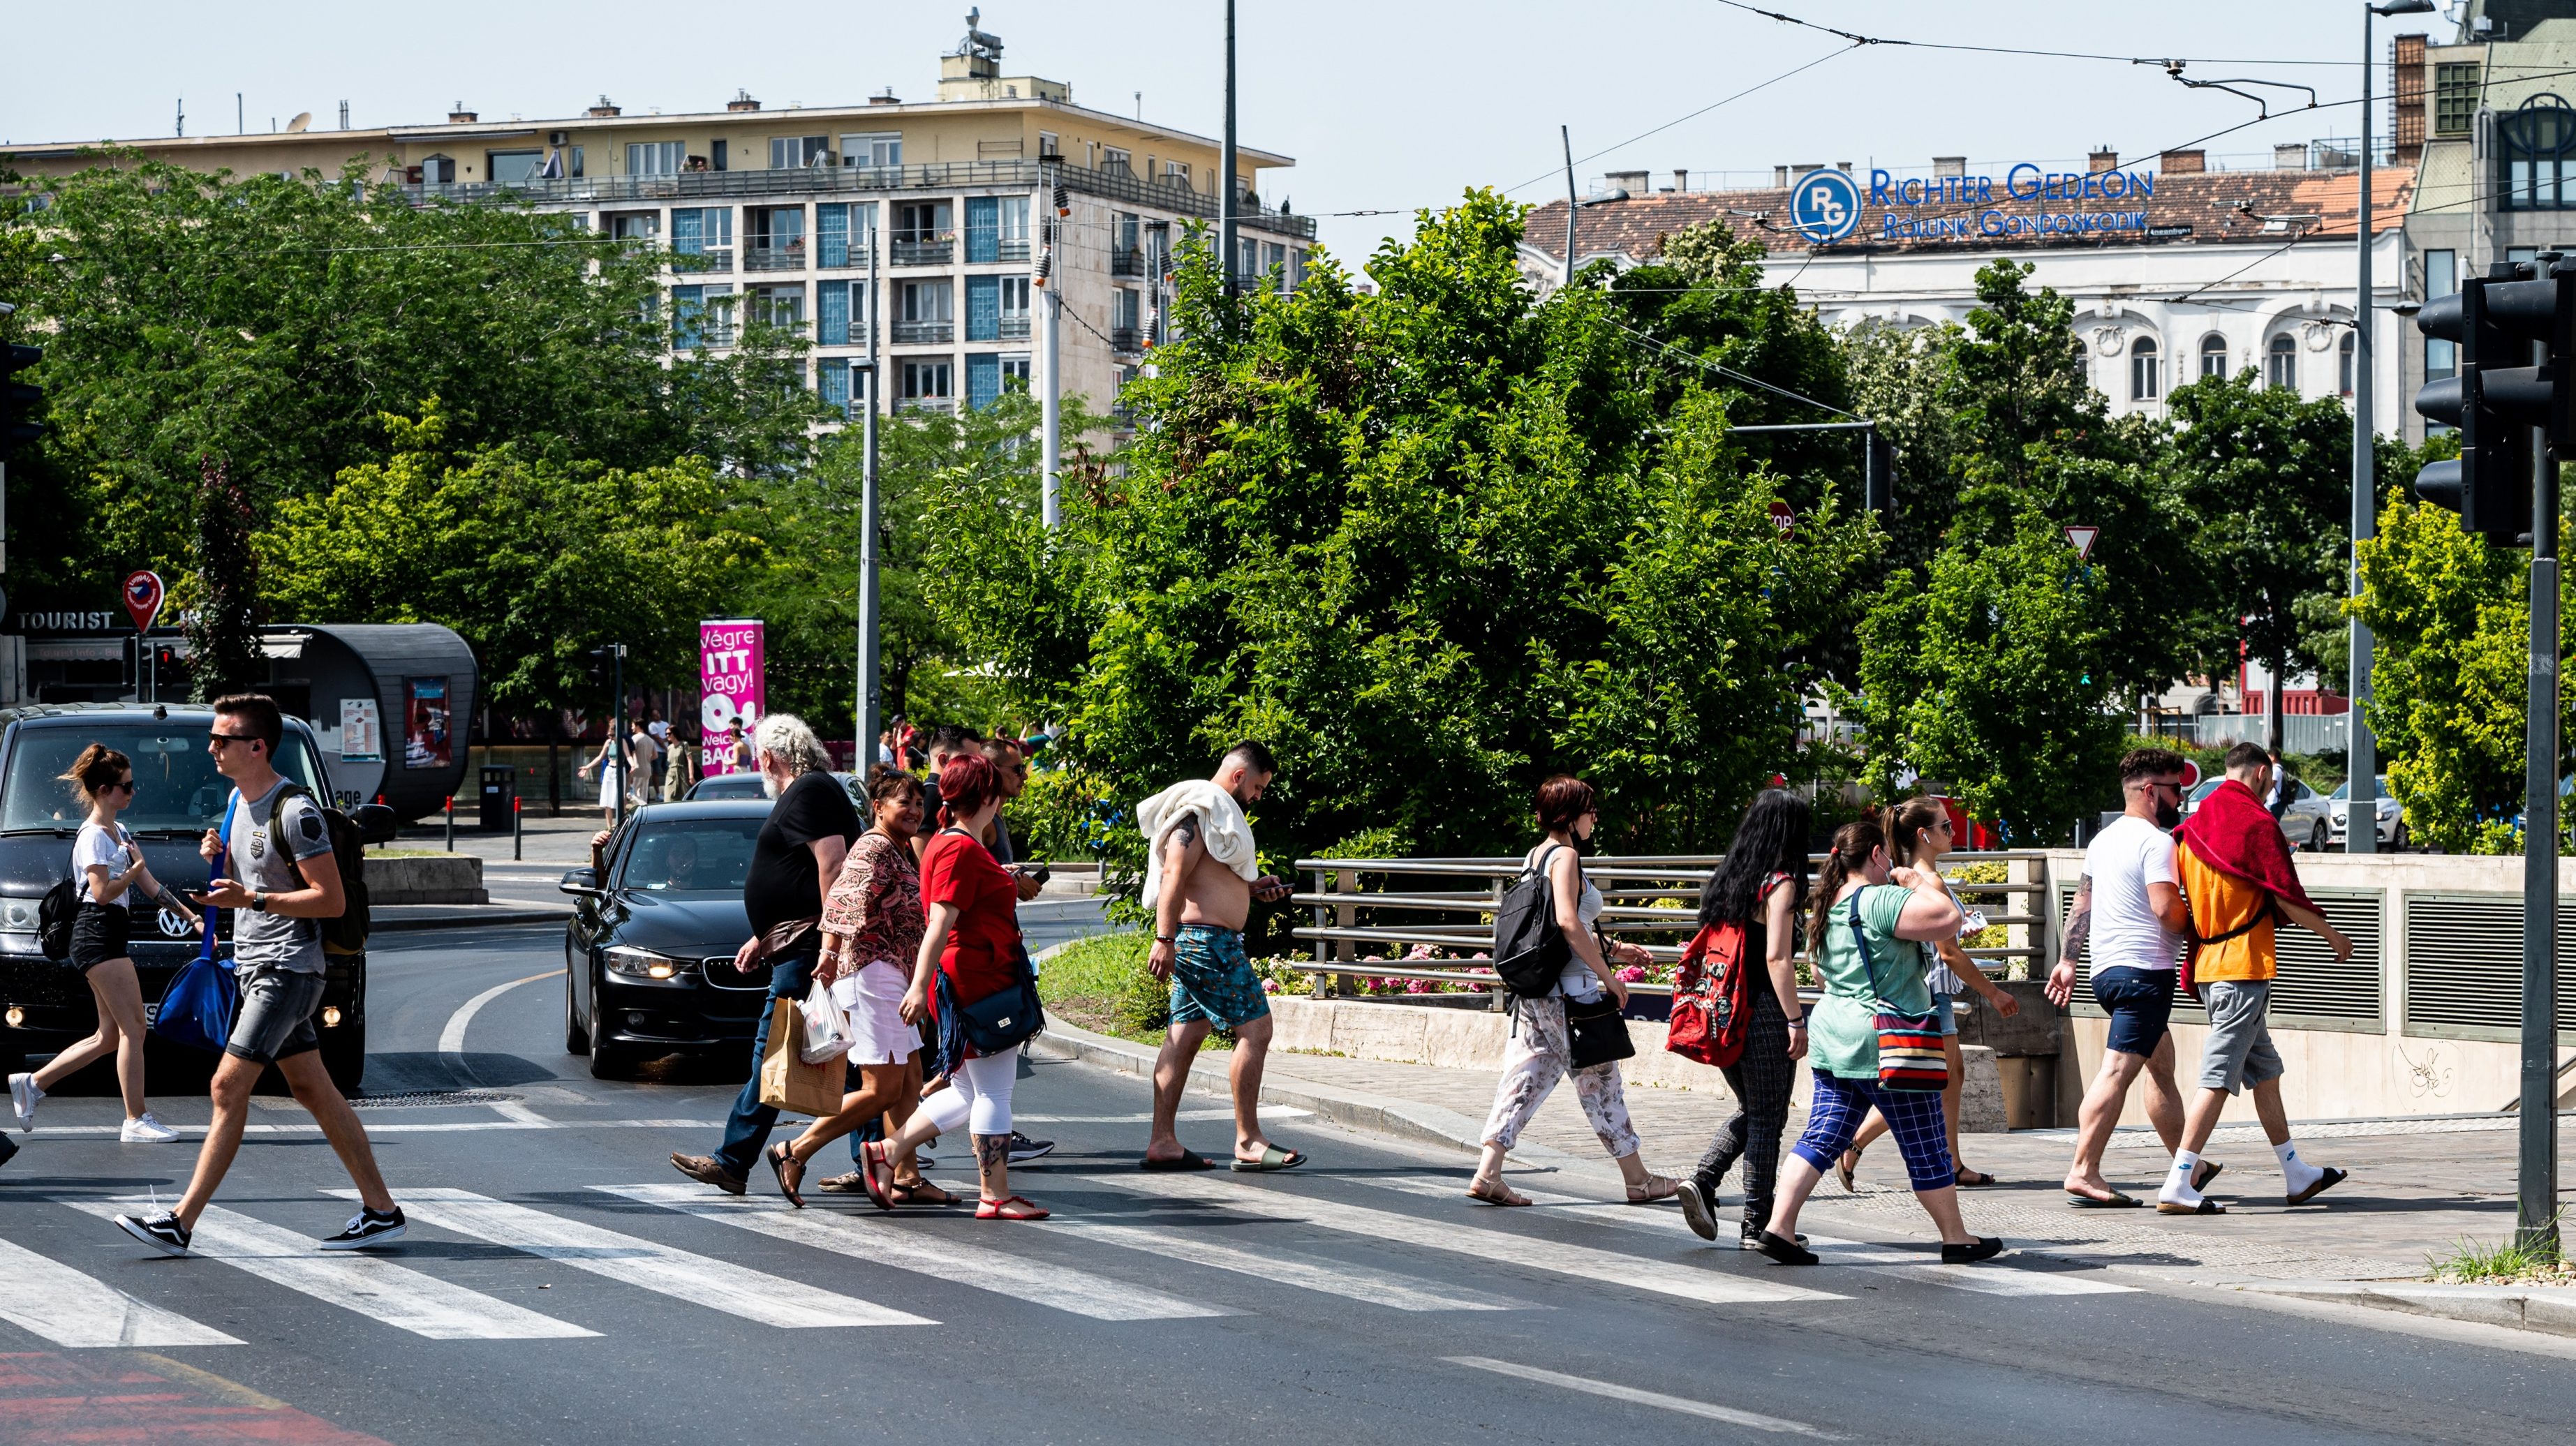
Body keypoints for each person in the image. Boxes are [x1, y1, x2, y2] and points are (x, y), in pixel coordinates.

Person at [111, 694, 405, 1255]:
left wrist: (255, 898)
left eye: (224, 739)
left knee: (226, 1086)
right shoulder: (236, 802)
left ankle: (180, 1220)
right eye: (214, 738)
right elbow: (248, 874)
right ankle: (382, 1209)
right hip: (253, 964)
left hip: (288, 969)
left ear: (257, 746)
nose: (213, 747)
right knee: (313, 1088)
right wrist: (216, 858)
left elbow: (331, 900)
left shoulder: (295, 812)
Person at [1755, 819, 2001, 1267]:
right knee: (1926, 1139)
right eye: (1887, 856)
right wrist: (1917, 879)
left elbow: (1818, 973)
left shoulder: (1826, 905)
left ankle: (1779, 1227)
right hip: (1888, 1042)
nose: (1891, 863)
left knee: (1821, 1136)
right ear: (1873, 855)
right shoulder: (1881, 899)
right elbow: (1949, 917)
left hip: (1834, 1036)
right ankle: (1956, 1237)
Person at [2157, 742, 2355, 1214]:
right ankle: (2179, 1180)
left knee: (2265, 1072)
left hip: (2210, 966)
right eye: (2272, 777)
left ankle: (2296, 1173)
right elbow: (2285, 897)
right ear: (2263, 773)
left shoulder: (2191, 829)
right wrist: (2331, 934)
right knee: (2220, 1075)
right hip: (2241, 967)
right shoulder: (2254, 822)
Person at [1466, 776, 1678, 1207]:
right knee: (1601, 1083)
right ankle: (1638, 1180)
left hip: (1536, 994)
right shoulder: (1565, 856)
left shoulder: (1535, 855)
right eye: (1590, 809)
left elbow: (1554, 929)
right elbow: (1566, 922)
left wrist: (1615, 950)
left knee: (1524, 1079)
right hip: (1569, 996)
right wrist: (1609, 977)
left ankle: (1488, 1174)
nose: (1594, 816)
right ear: (1570, 815)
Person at [670, 714, 859, 1194]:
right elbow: (797, 878)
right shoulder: (813, 790)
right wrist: (764, 937)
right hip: (797, 944)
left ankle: (733, 1161)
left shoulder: (811, 791)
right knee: (851, 1057)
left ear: (770, 757)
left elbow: (833, 864)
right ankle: (873, 1158)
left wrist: (832, 944)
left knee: (775, 1052)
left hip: (810, 951)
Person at [860, 754, 1048, 1219]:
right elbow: (940, 922)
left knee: (966, 1092)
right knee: (993, 1093)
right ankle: (995, 1193)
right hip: (979, 978)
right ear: (988, 795)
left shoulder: (950, 842)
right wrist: (919, 987)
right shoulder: (960, 849)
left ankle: (888, 1150)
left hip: (970, 974)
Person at [769, 768, 952, 1207]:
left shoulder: (899, 850)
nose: (913, 810)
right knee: (882, 1088)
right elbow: (841, 900)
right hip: (873, 974)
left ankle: (905, 1175)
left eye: (918, 803)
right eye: (903, 802)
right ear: (879, 807)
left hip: (893, 976)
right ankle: (794, 1151)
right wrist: (828, 956)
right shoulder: (873, 846)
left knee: (909, 1079)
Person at [2045, 747, 2218, 1208]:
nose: (2181, 798)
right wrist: (2204, 928)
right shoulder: (2157, 842)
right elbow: (2165, 909)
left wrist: (2067, 962)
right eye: (2175, 789)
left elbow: (2082, 904)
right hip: (2144, 975)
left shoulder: (2103, 841)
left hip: (2107, 973)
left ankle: (2191, 1166)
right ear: (2149, 791)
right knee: (2117, 1072)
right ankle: (2083, 1170)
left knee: (2159, 1066)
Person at [10, 745, 200, 1146]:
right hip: (96, 934)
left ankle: (33, 1083)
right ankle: (136, 1118)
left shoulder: (121, 832)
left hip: (109, 933)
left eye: (132, 786)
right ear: (102, 790)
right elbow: (100, 893)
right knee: (135, 1029)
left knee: (109, 1036)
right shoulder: (93, 838)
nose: (132, 794)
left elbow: (151, 886)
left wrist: (192, 917)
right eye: (125, 787)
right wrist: (130, 873)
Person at [1834, 798, 2024, 1191]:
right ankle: (1853, 1145)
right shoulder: (1928, 881)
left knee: (1952, 1074)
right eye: (1946, 827)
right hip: (1932, 994)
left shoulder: (1914, 876)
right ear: (1924, 835)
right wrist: (1993, 993)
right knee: (1924, 1078)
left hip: (1930, 990)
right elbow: (1948, 952)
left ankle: (1952, 1163)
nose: (1953, 831)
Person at [1137, 743, 1303, 1174]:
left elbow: (1203, 879)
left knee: (1186, 1035)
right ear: (1238, 776)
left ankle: (1163, 1142)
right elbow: (1175, 871)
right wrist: (1163, 938)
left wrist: (1250, 889)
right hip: (1207, 943)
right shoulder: (1195, 816)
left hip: (1198, 940)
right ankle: (1248, 1140)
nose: (1257, 797)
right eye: (1258, 787)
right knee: (1257, 1030)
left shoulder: (1213, 820)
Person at [1677, 789, 1810, 1246]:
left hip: (1722, 1010)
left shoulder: (1732, 877)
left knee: (1752, 1111)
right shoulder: (1782, 882)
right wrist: (1796, 1020)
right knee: (1768, 1117)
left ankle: (1704, 1182)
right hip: (1764, 1013)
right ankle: (1757, 1224)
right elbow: (1778, 958)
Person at [577, 729, 632, 823]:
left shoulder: (622, 741)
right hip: (609, 769)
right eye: (609, 735)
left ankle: (621, 824)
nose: (611, 737)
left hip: (619, 769)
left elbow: (628, 756)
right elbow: (600, 757)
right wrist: (587, 767)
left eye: (612, 735)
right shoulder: (609, 742)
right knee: (607, 799)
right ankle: (609, 827)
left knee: (619, 798)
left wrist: (633, 765)